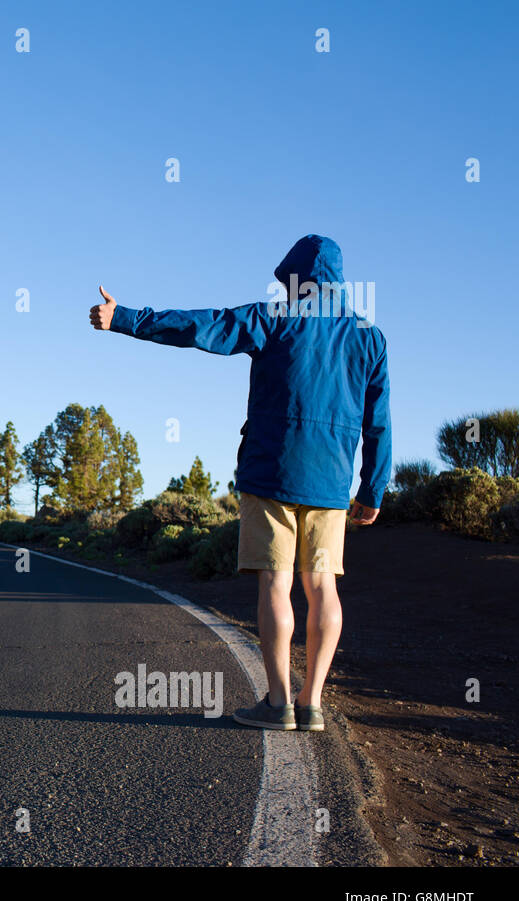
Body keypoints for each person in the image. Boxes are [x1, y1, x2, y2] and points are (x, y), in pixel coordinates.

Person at [89, 235, 391, 731]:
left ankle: (278, 704)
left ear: (297, 279)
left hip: (271, 472)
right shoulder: (370, 338)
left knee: (275, 584)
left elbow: (201, 326)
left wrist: (123, 318)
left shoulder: (273, 319)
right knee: (322, 588)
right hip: (332, 482)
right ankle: (311, 703)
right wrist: (372, 490)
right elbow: (379, 424)